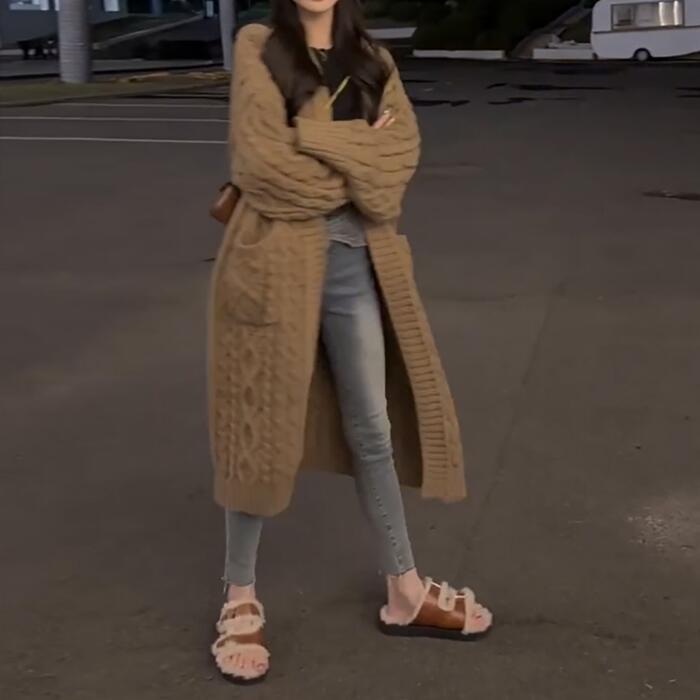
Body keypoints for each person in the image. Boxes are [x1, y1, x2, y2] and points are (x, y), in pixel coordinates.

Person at [208, 0, 493, 685]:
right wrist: (358, 148)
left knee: (373, 426)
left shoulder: (373, 60)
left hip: (356, 260)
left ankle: (405, 589)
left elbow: (398, 165)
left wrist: (309, 138)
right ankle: (239, 594)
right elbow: (261, 166)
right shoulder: (258, 45)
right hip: (271, 262)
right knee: (259, 423)